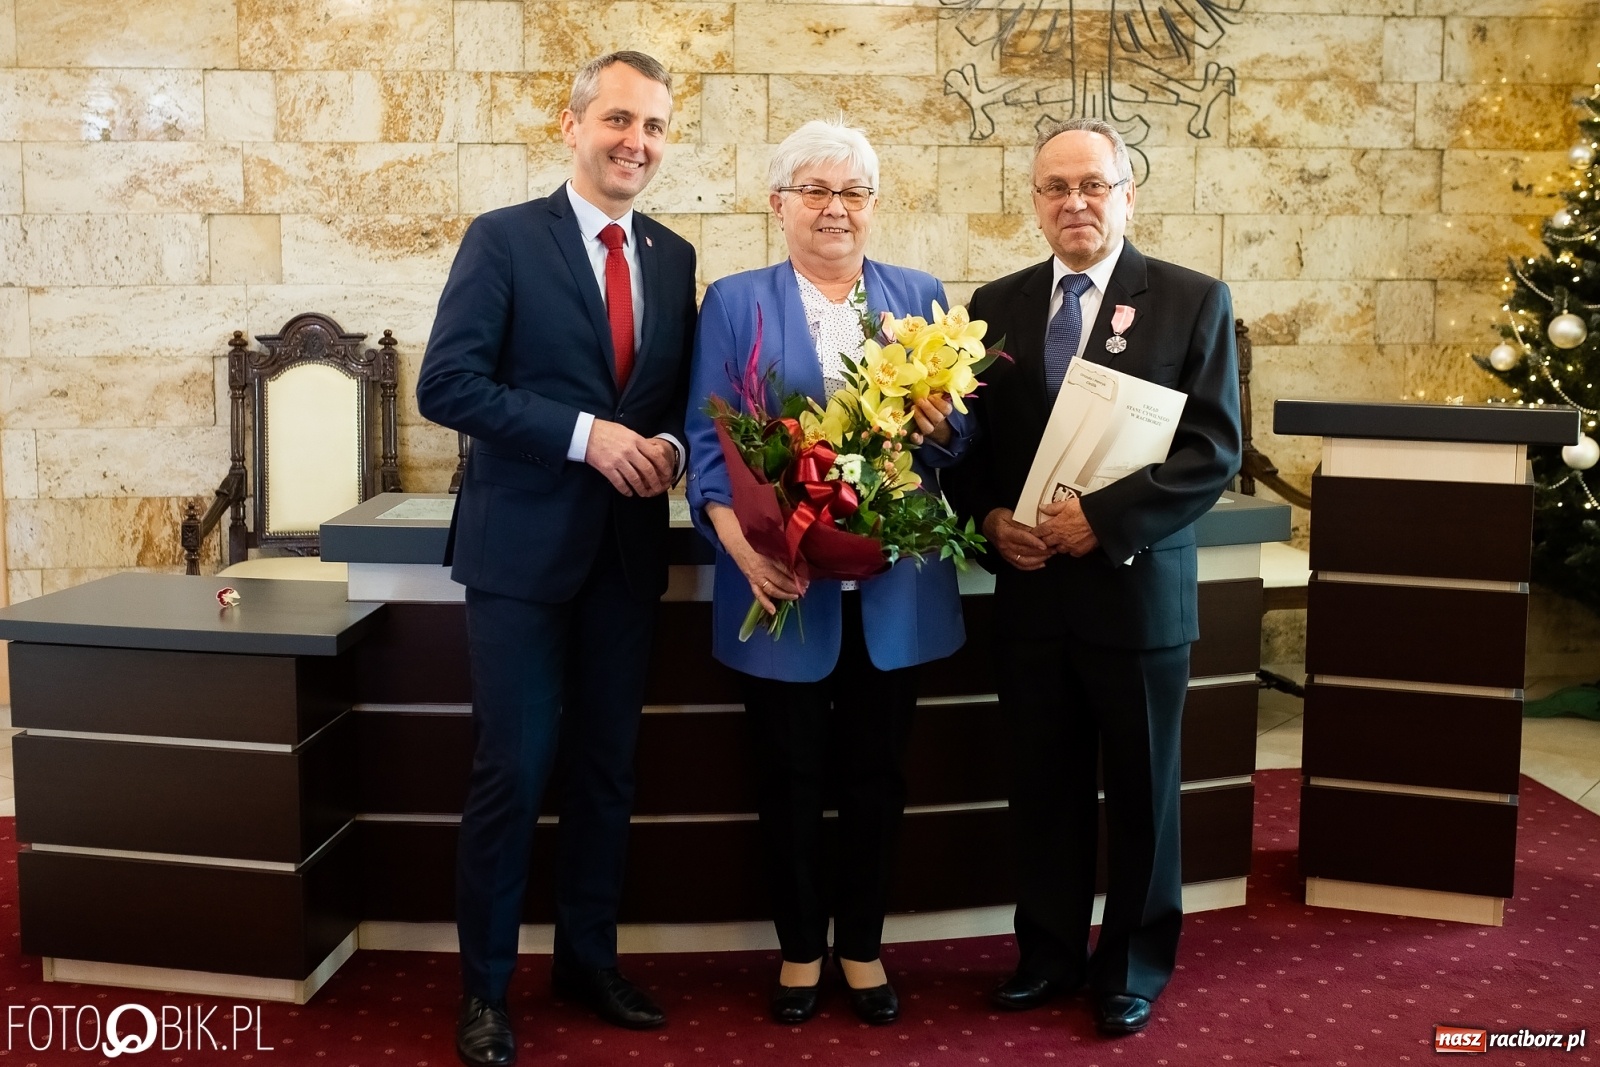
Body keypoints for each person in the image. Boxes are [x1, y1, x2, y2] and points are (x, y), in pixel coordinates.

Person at [415, 50, 698, 1067]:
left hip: (623, 560)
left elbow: (671, 396)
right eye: (619, 120)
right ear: (571, 125)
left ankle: (586, 957)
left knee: (605, 774)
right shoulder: (503, 240)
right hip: (521, 559)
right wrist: (587, 434)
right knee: (513, 770)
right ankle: (484, 989)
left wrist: (664, 442)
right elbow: (445, 384)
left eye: (655, 126)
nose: (637, 142)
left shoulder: (672, 255)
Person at [942, 118, 1241, 1037]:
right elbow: (969, 450)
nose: (1074, 201)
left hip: (1138, 594)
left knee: (1145, 794)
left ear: (1127, 195)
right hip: (1032, 597)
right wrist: (989, 516)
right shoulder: (993, 304)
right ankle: (1048, 955)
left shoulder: (1194, 300)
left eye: (1092, 185)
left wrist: (1101, 520)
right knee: (1045, 787)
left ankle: (1135, 967)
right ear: (1034, 202)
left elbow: (1213, 450)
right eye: (1055, 187)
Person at [683, 120, 970, 1027]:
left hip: (895, 594)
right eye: (815, 190)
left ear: (874, 207)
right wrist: (747, 554)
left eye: (853, 193)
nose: (835, 208)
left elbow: (961, 443)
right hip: (783, 589)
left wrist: (943, 429)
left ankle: (864, 948)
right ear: (779, 206)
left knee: (877, 781)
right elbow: (708, 443)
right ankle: (802, 949)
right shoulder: (734, 302)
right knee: (790, 779)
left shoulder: (919, 295)